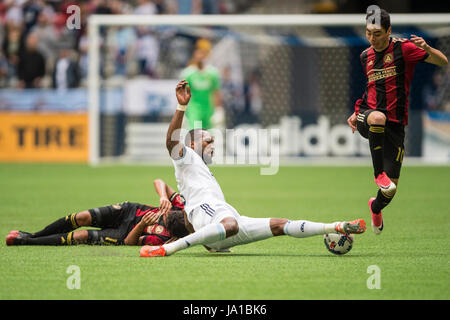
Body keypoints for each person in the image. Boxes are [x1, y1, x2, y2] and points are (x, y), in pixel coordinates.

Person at [140, 80, 367, 258]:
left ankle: (337, 225)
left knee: (279, 225)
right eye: (207, 140)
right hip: (207, 213)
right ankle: (169, 249)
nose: (212, 145)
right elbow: (171, 143)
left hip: (224, 217)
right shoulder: (186, 157)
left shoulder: (202, 168)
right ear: (191, 144)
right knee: (230, 224)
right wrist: (181, 107)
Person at [347, 9, 448, 235]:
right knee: (377, 117)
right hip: (369, 114)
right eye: (368, 33)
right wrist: (357, 112)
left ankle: (375, 207)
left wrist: (427, 49)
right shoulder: (365, 56)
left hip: (395, 126)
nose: (372, 38)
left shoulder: (405, 49)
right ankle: (378, 174)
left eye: (377, 33)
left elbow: (442, 61)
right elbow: (370, 89)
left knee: (391, 191)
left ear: (389, 31)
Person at [6, 179, 189, 246]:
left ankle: (27, 241)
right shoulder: (179, 206)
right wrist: (164, 197)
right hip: (128, 210)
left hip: (123, 233)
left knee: (81, 236)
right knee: (81, 217)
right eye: (164, 212)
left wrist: (142, 225)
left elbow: (129, 242)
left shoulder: (162, 239)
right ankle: (34, 234)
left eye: (163, 216)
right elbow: (158, 181)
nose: (162, 213)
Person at [179, 39, 223, 130]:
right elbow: (183, 94)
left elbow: (216, 92)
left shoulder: (213, 73)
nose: (201, 56)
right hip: (194, 111)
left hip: (208, 110)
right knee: (195, 136)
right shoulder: (188, 73)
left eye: (203, 53)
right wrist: (181, 112)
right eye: (199, 53)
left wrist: (218, 110)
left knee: (208, 138)